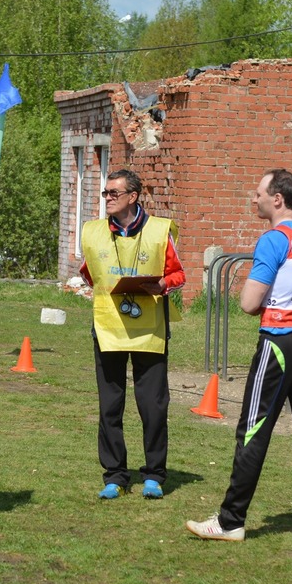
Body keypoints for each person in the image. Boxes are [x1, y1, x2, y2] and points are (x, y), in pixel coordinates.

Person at [186, 168, 292, 546]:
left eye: (258, 194)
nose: (253, 199)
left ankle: (230, 520)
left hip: (279, 343)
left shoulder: (273, 239)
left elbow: (249, 303)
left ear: (277, 199)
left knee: (252, 430)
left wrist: (266, 298)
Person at [80, 168, 185, 500]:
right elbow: (88, 272)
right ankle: (115, 475)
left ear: (133, 197)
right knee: (110, 405)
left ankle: (153, 474)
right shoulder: (93, 231)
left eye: (114, 193)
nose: (108, 198)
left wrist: (162, 284)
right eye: (105, 193)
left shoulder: (158, 230)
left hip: (149, 330)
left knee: (152, 405)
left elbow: (178, 274)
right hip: (108, 327)